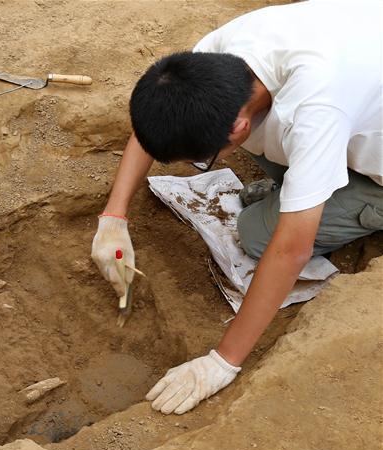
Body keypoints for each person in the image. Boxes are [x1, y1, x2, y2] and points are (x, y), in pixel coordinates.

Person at [91, 0, 383, 415]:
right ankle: (310, 183)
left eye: (201, 160)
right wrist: (113, 217)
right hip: (362, 89)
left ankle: (349, 195)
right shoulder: (218, 56)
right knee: (285, 165)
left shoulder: (316, 113)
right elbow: (159, 122)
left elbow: (291, 250)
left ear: (239, 127)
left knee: (258, 234)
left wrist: (221, 362)